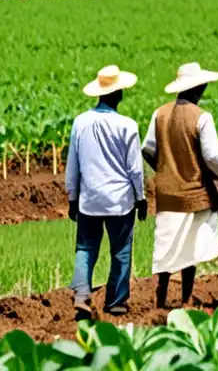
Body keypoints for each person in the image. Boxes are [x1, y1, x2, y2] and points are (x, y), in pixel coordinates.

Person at [142, 62, 218, 309]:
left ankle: (161, 297)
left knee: (167, 244)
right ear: (199, 88)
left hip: (166, 192)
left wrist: (164, 168)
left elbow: (148, 149)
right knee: (190, 246)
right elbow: (213, 157)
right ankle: (185, 299)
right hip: (194, 192)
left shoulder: (158, 113)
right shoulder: (202, 118)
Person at [65, 64, 147, 318]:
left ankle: (81, 294)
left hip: (89, 198)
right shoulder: (128, 126)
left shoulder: (81, 122)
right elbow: (135, 168)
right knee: (121, 250)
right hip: (120, 200)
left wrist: (72, 196)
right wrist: (141, 197)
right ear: (119, 93)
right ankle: (117, 302)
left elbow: (73, 165)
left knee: (85, 247)